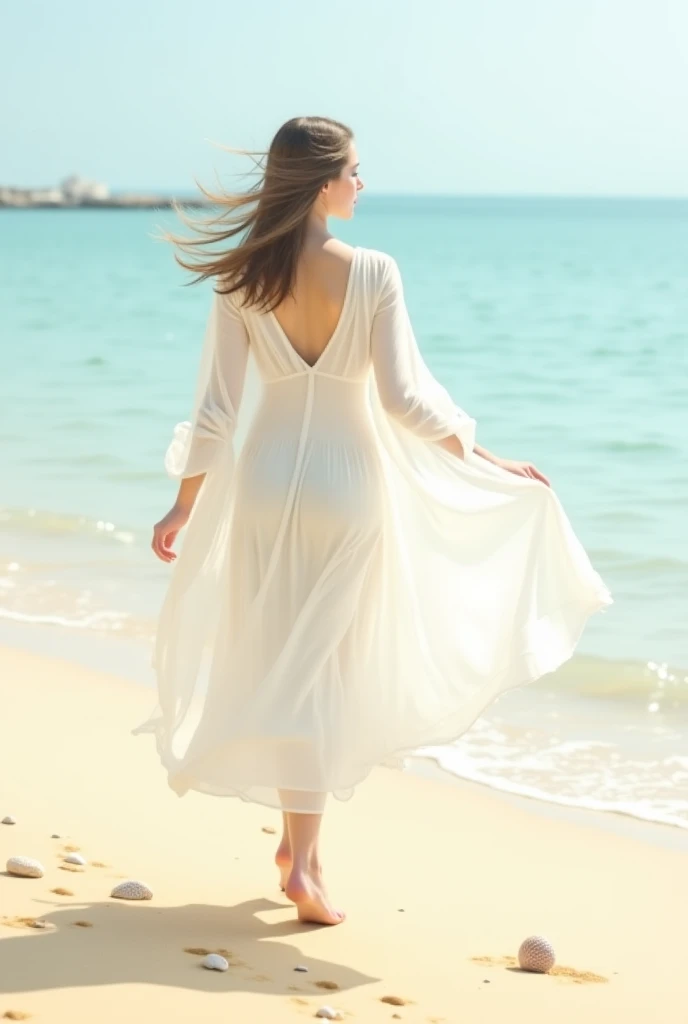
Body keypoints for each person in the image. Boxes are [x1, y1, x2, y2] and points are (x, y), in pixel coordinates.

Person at [132, 116, 612, 926]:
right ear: (323, 182)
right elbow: (403, 400)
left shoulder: (241, 278)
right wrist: (482, 453)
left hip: (264, 484)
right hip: (347, 488)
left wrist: (185, 501)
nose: (363, 182)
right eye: (356, 169)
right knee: (323, 672)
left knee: (284, 658)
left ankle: (295, 847)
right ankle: (308, 863)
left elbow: (216, 409)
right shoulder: (374, 271)